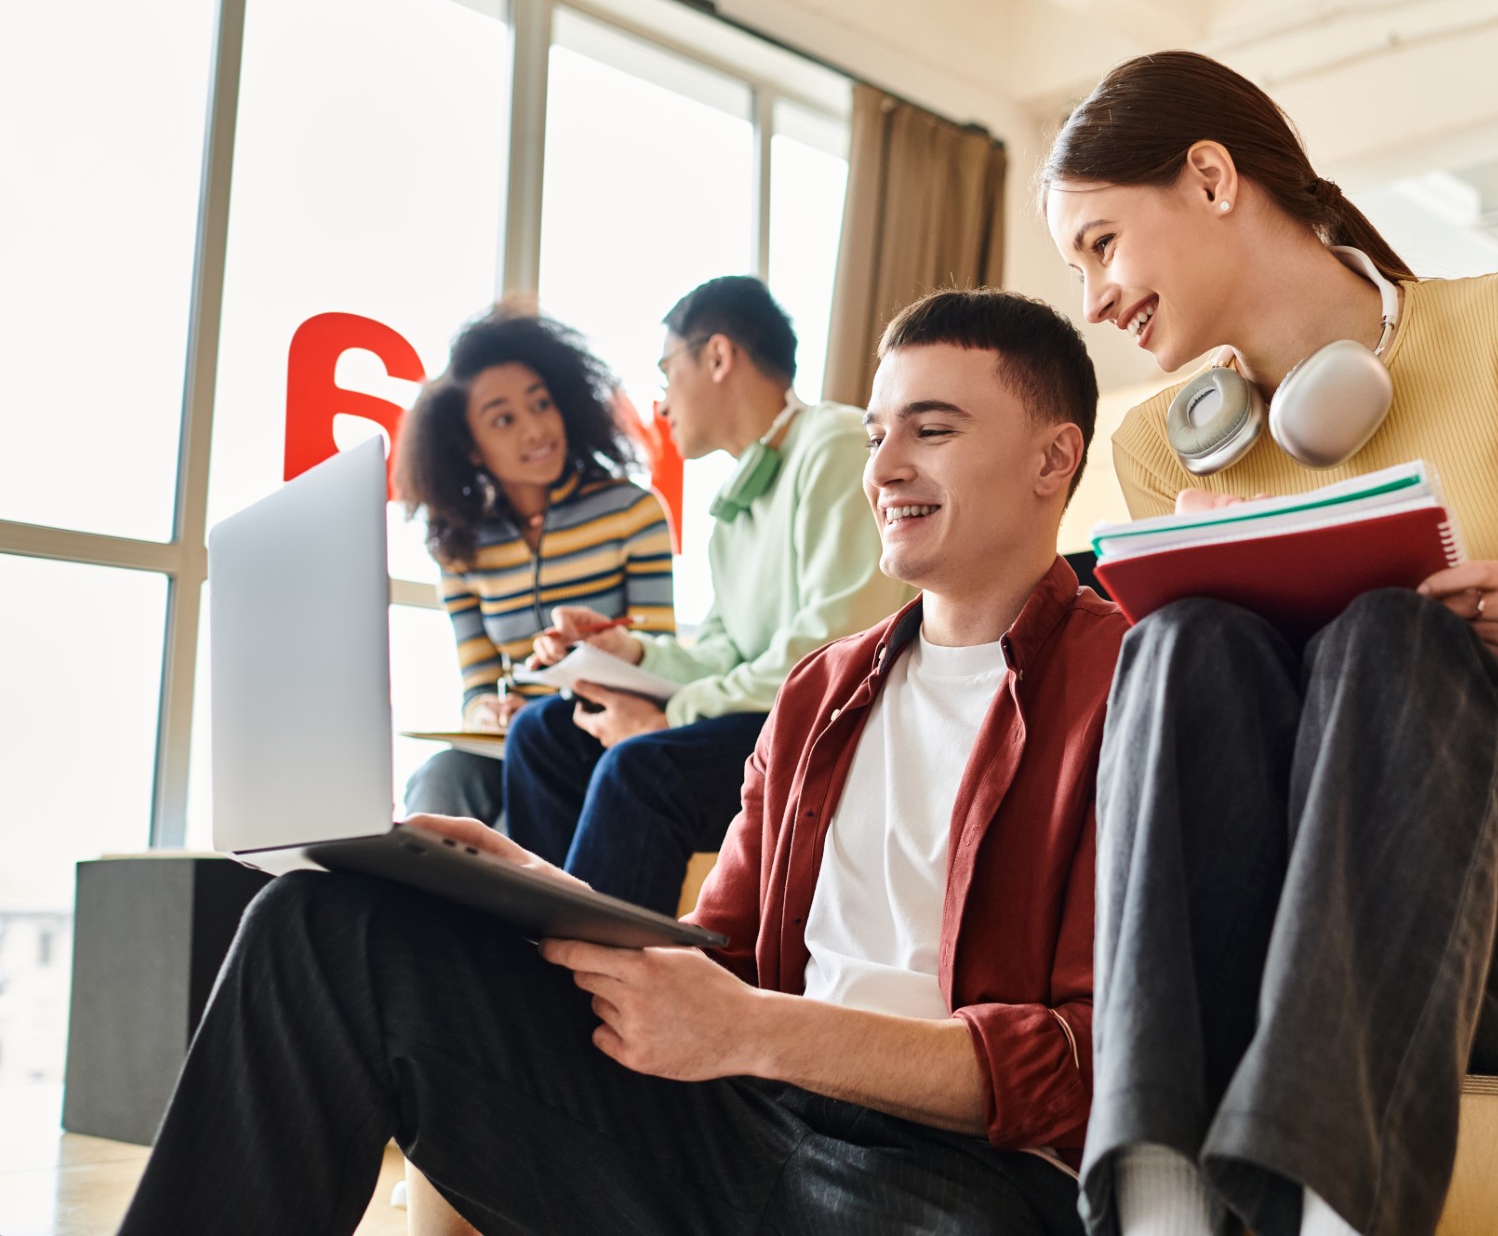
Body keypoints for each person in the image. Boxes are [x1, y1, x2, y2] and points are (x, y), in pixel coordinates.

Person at [117, 288, 1121, 1236]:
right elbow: (721, 957)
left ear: (1052, 458)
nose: (885, 467)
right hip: (750, 1121)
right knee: (323, 926)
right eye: (876, 435)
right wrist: (536, 892)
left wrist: (753, 1031)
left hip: (952, 1179)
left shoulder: (1131, 686)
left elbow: (1090, 1063)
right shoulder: (823, 692)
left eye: (931, 430)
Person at [1041, 52, 1498, 1236]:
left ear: (1210, 178)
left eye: (1101, 244)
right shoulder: (1159, 450)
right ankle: (1160, 1204)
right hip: (1310, 929)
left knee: (1398, 630)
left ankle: (1334, 1210)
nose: (1093, 299)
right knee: (1179, 641)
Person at [502, 276, 912, 914]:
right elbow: (722, 650)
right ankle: (530, 948)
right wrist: (630, 654)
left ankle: (584, 974)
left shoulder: (833, 444)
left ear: (718, 356)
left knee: (643, 768)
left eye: (666, 372)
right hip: (762, 713)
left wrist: (673, 716)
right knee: (542, 732)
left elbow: (831, 655)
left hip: (823, 729)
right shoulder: (732, 511)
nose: (661, 402)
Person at [395, 310, 675, 825]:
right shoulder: (461, 550)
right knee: (439, 778)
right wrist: (487, 712)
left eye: (542, 404)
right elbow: (478, 684)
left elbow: (660, 655)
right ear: (469, 447)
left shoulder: (632, 512)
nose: (536, 429)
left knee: (516, 808)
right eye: (504, 420)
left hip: (597, 737)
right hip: (505, 747)